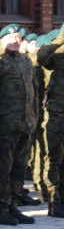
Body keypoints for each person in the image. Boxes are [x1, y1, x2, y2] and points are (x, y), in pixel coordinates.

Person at [0, 24, 37, 225]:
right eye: (10, 38)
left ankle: (14, 205)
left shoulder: (25, 60)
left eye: (17, 37)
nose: (14, 41)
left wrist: (33, 118)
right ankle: (0, 209)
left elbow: (34, 92)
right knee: (3, 169)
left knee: (19, 167)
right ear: (1, 40)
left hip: (25, 124)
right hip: (5, 126)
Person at [38, 28, 64, 218]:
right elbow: (41, 56)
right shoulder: (57, 55)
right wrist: (60, 39)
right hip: (56, 114)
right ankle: (54, 201)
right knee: (54, 158)